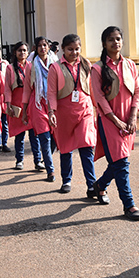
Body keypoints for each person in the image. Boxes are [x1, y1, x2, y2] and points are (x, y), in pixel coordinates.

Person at [91, 26, 139, 220]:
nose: (116, 42)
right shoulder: (97, 69)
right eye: (111, 39)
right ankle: (128, 205)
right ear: (104, 44)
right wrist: (115, 120)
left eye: (119, 38)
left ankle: (99, 186)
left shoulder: (130, 65)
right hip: (109, 121)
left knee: (117, 161)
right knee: (121, 162)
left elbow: (137, 91)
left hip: (128, 120)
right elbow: (99, 98)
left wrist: (132, 117)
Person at [47, 34, 98, 196]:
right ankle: (66, 180)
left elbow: (92, 88)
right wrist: (51, 112)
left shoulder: (85, 64)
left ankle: (92, 184)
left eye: (77, 49)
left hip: (85, 110)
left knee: (86, 146)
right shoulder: (55, 68)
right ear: (63, 49)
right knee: (66, 149)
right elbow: (51, 93)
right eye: (70, 49)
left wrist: (99, 108)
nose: (74, 52)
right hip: (64, 113)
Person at [22, 37, 58, 183]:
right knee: (44, 137)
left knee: (55, 137)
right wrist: (24, 111)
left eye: (45, 45)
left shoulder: (56, 64)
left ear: (49, 47)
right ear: (35, 48)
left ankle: (45, 156)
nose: (43, 48)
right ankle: (50, 170)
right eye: (40, 46)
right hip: (37, 103)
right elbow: (26, 90)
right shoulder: (31, 66)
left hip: (53, 103)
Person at [5, 41, 43, 171]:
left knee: (34, 135)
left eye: (24, 50)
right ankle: (19, 160)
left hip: (31, 104)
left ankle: (37, 161)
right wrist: (8, 105)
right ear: (15, 52)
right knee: (19, 135)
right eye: (19, 50)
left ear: (28, 52)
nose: (22, 53)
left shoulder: (32, 66)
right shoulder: (10, 68)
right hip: (17, 105)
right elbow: (7, 89)